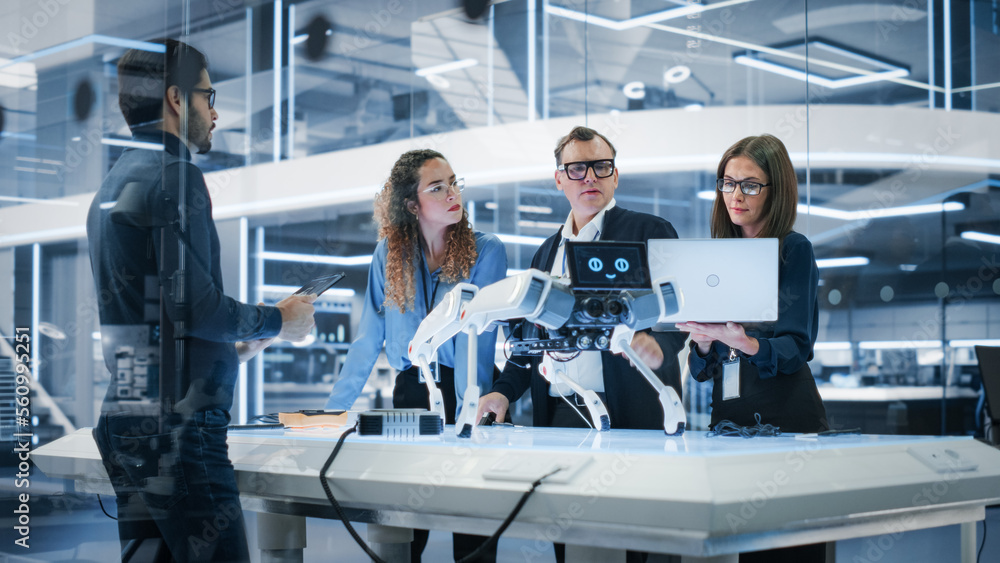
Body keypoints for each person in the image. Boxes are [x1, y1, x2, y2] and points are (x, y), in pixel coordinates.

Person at [87, 39, 316, 562]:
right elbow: (197, 306)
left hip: (128, 423)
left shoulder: (112, 185)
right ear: (175, 98)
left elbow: (156, 320)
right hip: (181, 434)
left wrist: (232, 350)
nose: (215, 111)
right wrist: (278, 319)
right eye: (208, 95)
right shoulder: (175, 174)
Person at [475, 125, 688, 563]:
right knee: (571, 542)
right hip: (557, 416)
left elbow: (678, 309)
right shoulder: (546, 252)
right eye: (576, 168)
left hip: (629, 411)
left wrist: (655, 340)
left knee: (636, 540)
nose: (589, 176)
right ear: (559, 179)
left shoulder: (648, 230)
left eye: (600, 166)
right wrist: (502, 391)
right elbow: (529, 342)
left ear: (615, 176)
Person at [323, 148, 507, 562]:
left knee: (473, 523)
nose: (452, 193)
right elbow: (368, 339)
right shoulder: (389, 255)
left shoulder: (486, 250)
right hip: (411, 392)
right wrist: (333, 413)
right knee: (406, 520)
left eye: (454, 183)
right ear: (411, 204)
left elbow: (472, 338)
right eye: (437, 187)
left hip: (470, 387)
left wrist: (467, 411)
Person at [675, 134, 828, 563]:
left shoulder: (794, 250)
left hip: (787, 419)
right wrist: (703, 345)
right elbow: (704, 370)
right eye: (727, 182)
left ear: (774, 191)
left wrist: (746, 342)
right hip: (731, 421)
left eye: (750, 184)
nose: (735, 195)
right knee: (747, 547)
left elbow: (797, 346)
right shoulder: (719, 255)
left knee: (790, 550)